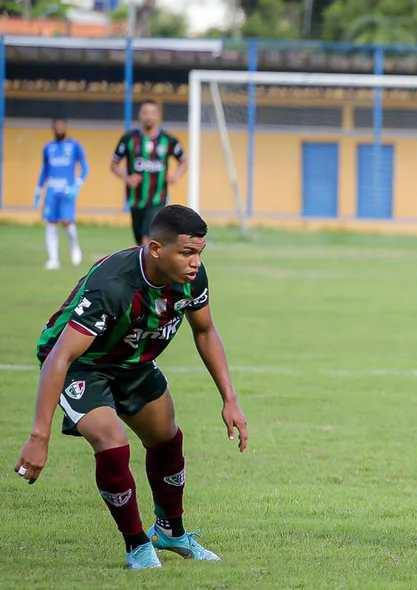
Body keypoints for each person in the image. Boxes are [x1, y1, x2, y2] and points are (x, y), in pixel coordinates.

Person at [13, 204, 249, 570]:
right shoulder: (114, 284)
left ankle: (170, 532)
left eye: (200, 253)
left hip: (133, 364)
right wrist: (38, 436)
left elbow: (204, 331)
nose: (195, 263)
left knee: (167, 439)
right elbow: (60, 357)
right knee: (112, 443)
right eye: (187, 252)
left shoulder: (190, 279)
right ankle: (137, 545)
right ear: (156, 249)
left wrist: (230, 399)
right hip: (82, 366)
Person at [112, 100, 187, 246]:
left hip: (158, 199)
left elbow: (184, 162)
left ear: (158, 115)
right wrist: (127, 178)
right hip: (135, 199)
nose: (149, 116)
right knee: (140, 241)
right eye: (145, 113)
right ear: (140, 115)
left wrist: (175, 175)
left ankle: (152, 266)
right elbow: (114, 164)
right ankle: (147, 267)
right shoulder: (129, 139)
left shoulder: (169, 140)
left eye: (153, 113)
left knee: (148, 239)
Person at [35, 117, 89, 270]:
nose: (59, 130)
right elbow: (44, 170)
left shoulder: (74, 146)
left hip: (67, 191)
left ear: (65, 128)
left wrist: (77, 184)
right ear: (53, 129)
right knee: (51, 222)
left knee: (66, 222)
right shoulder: (48, 147)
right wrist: (38, 189)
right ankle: (53, 259)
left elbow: (85, 168)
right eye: (56, 127)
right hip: (52, 191)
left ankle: (74, 245)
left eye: (61, 127)